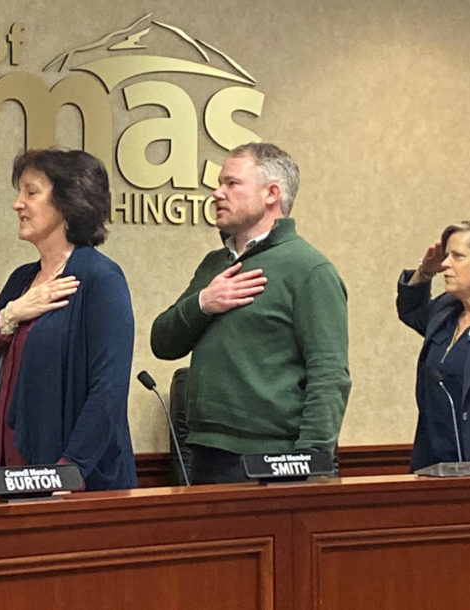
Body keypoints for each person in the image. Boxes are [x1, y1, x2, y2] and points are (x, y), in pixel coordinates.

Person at [150, 142, 351, 484]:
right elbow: (163, 343)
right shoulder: (214, 265)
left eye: (231, 183)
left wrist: (310, 464)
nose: (216, 193)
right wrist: (203, 303)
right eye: (219, 183)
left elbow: (329, 375)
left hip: (273, 459)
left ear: (271, 193)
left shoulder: (309, 269)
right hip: (204, 452)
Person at [0, 148, 137, 496]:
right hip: (5, 481)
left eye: (31, 191)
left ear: (67, 201)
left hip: (70, 488)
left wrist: (67, 473)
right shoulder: (21, 281)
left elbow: (108, 392)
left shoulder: (100, 279)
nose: (17, 204)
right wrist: (9, 316)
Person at [397, 219, 470, 471]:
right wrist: (425, 271)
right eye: (446, 255)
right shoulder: (445, 309)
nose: (446, 264)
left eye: (458, 256)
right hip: (434, 462)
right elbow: (411, 308)